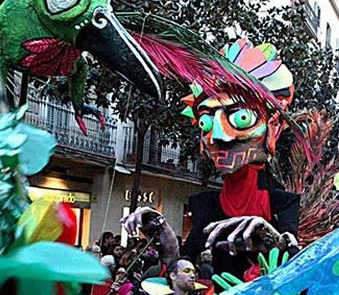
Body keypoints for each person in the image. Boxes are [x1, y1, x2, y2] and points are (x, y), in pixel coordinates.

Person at [122, 39, 300, 279]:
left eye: (241, 118)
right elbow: (184, 269)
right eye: (206, 122)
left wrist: (273, 240)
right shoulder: (205, 207)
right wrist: (162, 233)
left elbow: (298, 272)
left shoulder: (283, 205)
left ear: (273, 128)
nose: (217, 135)